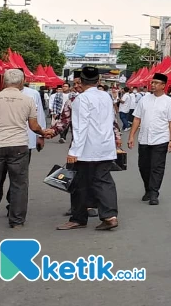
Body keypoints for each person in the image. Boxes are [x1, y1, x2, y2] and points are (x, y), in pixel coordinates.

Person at [0, 69, 48, 232]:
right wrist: (43, 133)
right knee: (19, 184)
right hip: (19, 146)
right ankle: (17, 221)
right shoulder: (27, 100)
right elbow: (33, 126)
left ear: (3, 82)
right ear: (22, 82)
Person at [57, 67, 119, 231]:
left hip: (87, 149)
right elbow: (112, 120)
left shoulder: (81, 100)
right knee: (104, 182)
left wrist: (74, 151)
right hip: (105, 146)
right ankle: (110, 216)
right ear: (98, 81)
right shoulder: (106, 96)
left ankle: (78, 218)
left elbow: (80, 127)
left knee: (78, 183)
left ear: (81, 81)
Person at [0, 70, 47, 219]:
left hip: (24, 142)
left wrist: (40, 136)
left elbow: (39, 115)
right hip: (0, 143)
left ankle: (13, 208)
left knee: (17, 179)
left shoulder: (32, 94)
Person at [128, 73, 171, 205]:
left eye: (156, 83)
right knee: (143, 166)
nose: (153, 85)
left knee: (157, 166)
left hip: (161, 139)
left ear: (163, 85)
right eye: (152, 82)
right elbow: (137, 118)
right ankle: (148, 189)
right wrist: (132, 135)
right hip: (144, 138)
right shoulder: (144, 100)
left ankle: (154, 193)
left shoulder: (169, 102)